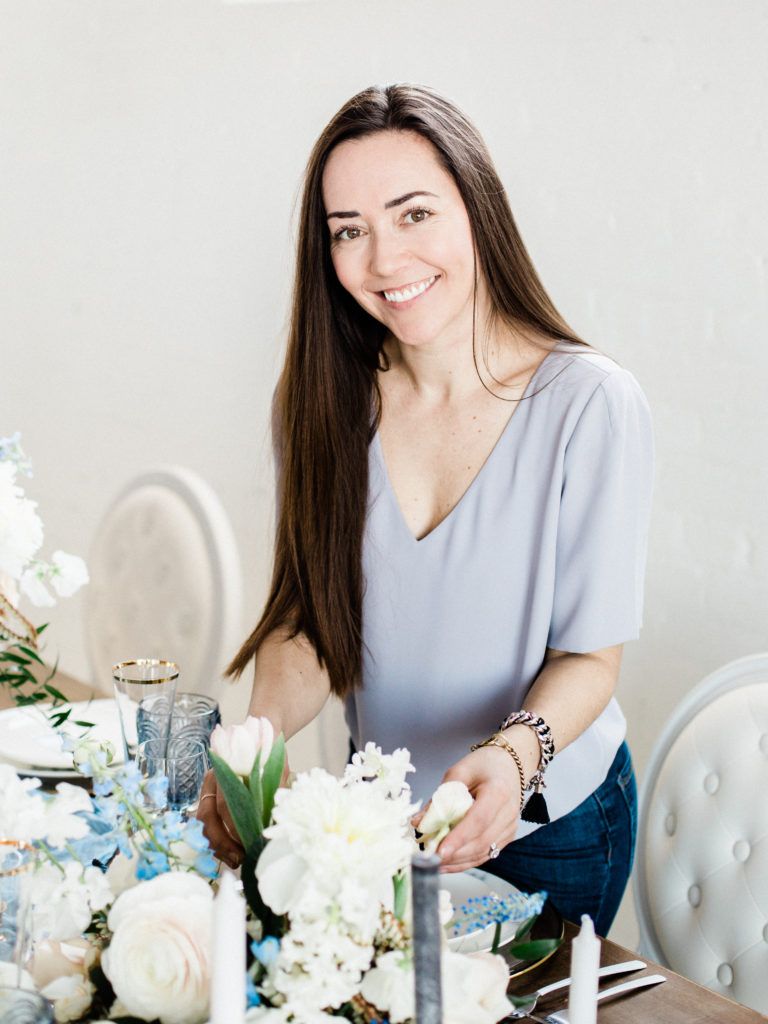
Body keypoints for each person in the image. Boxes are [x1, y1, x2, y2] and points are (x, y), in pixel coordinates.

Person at [198, 83, 654, 937]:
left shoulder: (590, 403)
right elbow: (309, 619)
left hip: (548, 821)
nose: (383, 260)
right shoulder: (325, 403)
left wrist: (513, 760)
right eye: (349, 231)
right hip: (376, 826)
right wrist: (254, 741)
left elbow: (590, 657)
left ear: (477, 209)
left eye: (413, 215)